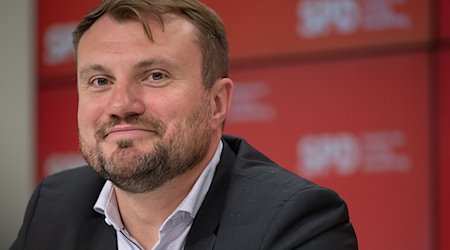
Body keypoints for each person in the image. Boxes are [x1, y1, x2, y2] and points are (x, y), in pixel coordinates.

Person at [10, 0, 358, 249]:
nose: (120, 105)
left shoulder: (297, 222)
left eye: (155, 76)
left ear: (217, 102)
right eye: (100, 81)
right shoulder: (54, 207)